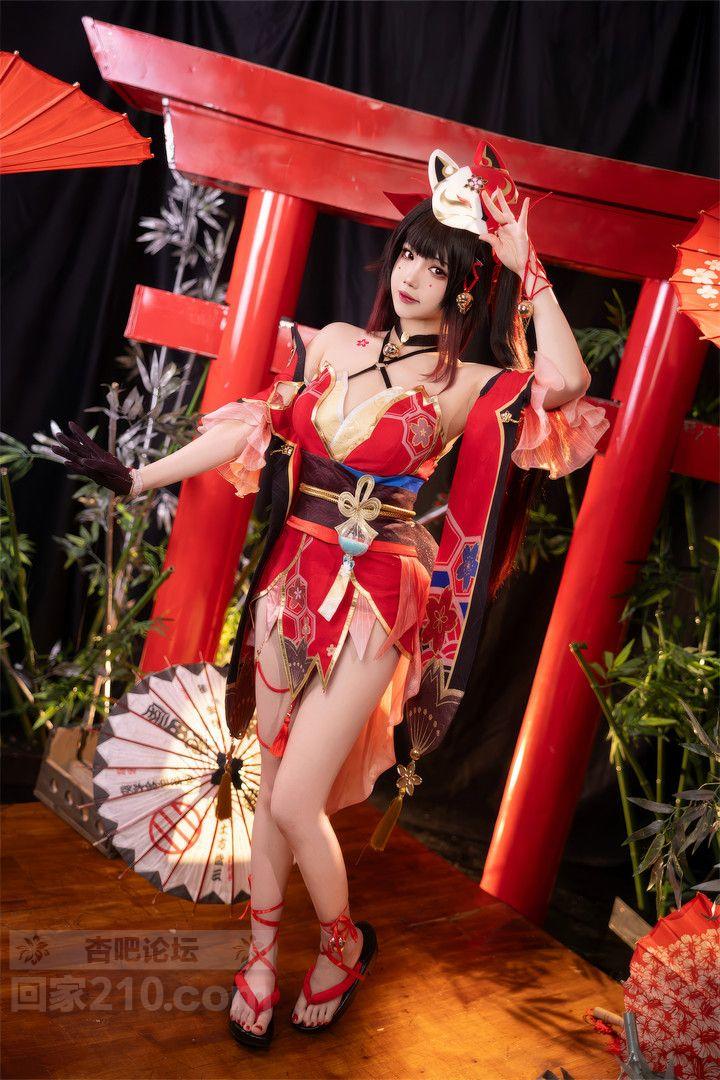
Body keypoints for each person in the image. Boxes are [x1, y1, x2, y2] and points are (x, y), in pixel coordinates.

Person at [56, 141, 609, 1049]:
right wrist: (138, 477)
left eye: (436, 267)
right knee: (272, 781)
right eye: (408, 254)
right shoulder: (336, 343)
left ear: (463, 290)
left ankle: (343, 944)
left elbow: (571, 383)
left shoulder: (467, 384)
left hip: (379, 591)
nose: (412, 275)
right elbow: (253, 423)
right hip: (291, 580)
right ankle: (261, 958)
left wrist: (528, 263)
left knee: (292, 796)